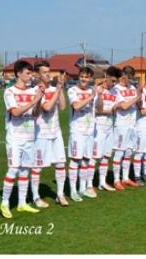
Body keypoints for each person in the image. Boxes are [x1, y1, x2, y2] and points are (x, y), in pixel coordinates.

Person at [0, 61, 42, 218]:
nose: (30, 76)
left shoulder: (33, 91)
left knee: (25, 170)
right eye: (27, 73)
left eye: (31, 73)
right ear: (18, 73)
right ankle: (4, 203)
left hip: (29, 136)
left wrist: (38, 99)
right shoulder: (9, 92)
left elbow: (36, 114)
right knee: (13, 169)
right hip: (15, 138)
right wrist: (34, 100)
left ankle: (22, 203)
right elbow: (16, 112)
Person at [32, 61, 67, 206]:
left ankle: (60, 194)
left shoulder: (54, 88)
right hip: (41, 134)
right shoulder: (36, 90)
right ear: (37, 75)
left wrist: (60, 88)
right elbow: (46, 108)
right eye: (44, 72)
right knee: (37, 166)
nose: (48, 74)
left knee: (60, 163)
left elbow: (63, 107)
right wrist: (58, 89)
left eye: (49, 71)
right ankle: (36, 197)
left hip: (56, 132)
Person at [67, 67, 97, 200]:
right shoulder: (72, 90)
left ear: (91, 79)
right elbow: (76, 106)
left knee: (86, 160)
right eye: (82, 76)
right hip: (77, 131)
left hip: (90, 130)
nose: (84, 79)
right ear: (78, 77)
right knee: (75, 160)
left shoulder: (92, 91)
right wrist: (91, 97)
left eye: (87, 77)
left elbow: (99, 108)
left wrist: (99, 96)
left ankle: (82, 188)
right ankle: (73, 190)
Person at [111, 66, 142, 189]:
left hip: (132, 124)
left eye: (132, 78)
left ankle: (125, 178)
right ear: (123, 75)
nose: (130, 80)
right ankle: (116, 180)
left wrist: (139, 96)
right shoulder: (116, 89)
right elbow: (123, 106)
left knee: (129, 152)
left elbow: (139, 104)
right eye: (128, 77)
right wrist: (136, 98)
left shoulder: (133, 88)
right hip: (121, 125)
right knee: (119, 152)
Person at [94, 67, 118, 191]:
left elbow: (116, 107)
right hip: (98, 127)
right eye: (112, 81)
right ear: (106, 77)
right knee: (95, 157)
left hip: (110, 127)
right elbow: (96, 110)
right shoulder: (98, 89)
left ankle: (102, 182)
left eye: (115, 81)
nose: (114, 84)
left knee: (106, 156)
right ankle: (88, 184)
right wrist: (110, 111)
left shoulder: (114, 91)